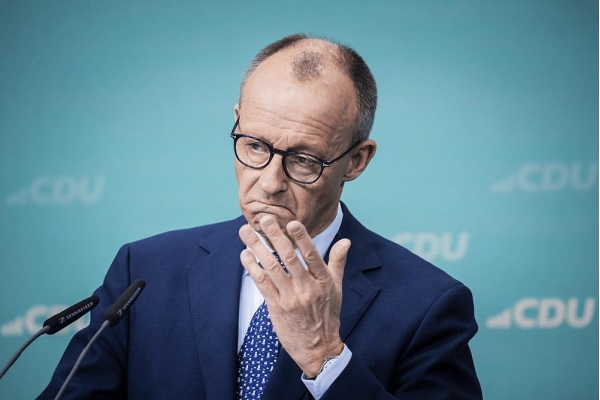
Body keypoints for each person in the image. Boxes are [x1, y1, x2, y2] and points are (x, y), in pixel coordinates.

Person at [39, 34, 482, 399]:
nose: (269, 183)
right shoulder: (143, 273)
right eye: (254, 146)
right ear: (237, 121)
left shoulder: (429, 305)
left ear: (356, 160)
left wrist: (325, 357)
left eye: (304, 160)